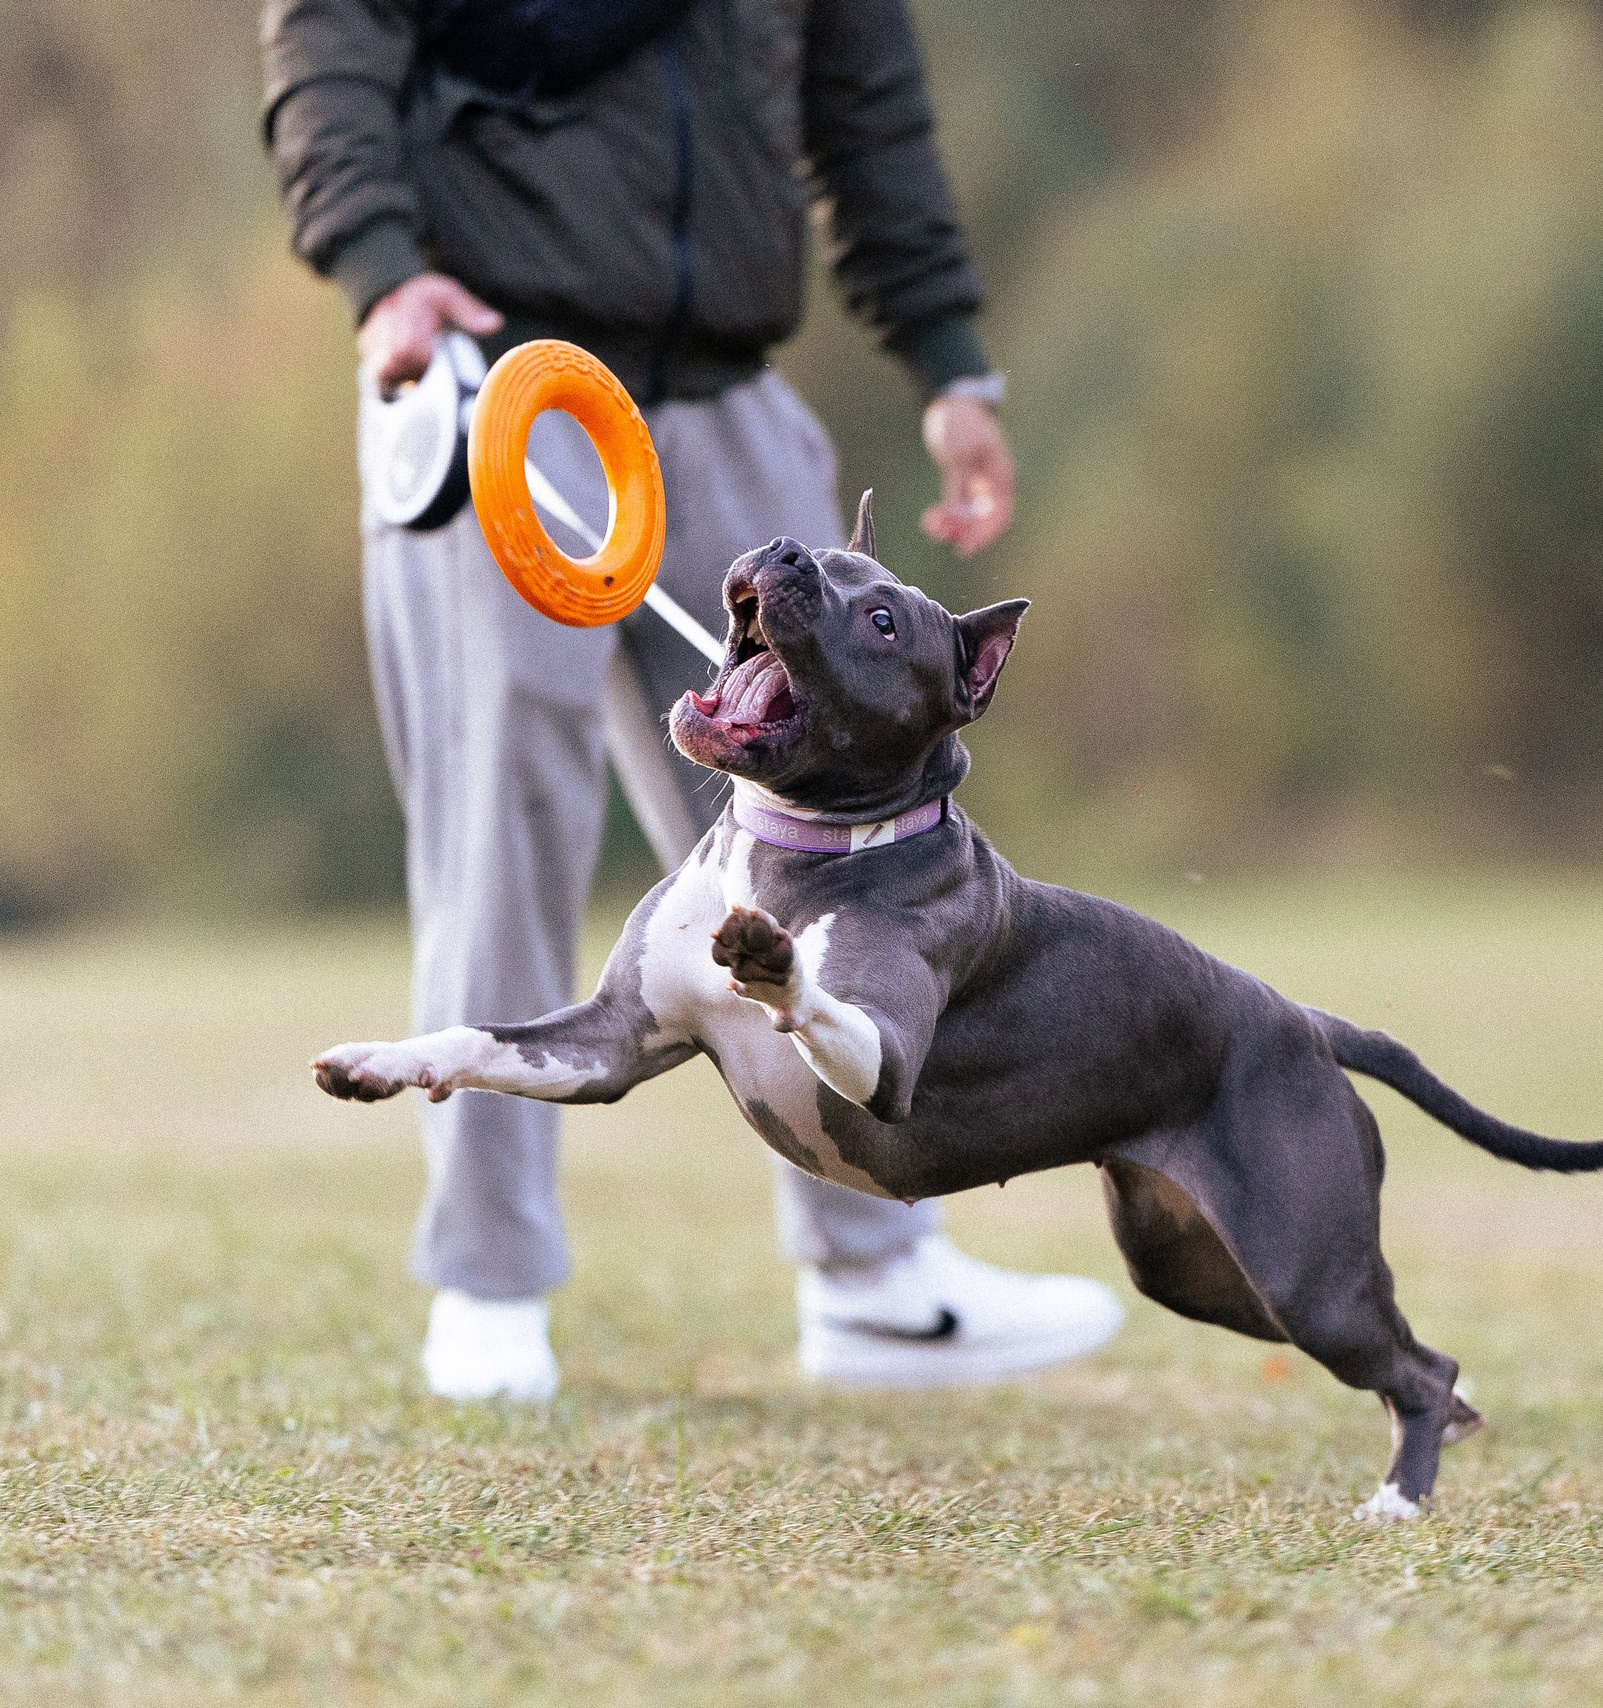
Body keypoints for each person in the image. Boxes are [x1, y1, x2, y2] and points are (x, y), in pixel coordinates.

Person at [261, 0, 1121, 1400]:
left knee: (846, 851)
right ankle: (488, 1289)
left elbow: (867, 97)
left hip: (726, 385)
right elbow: (331, 30)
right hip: (497, 374)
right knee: (504, 830)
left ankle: (877, 1280)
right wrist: (377, 265)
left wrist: (949, 353)